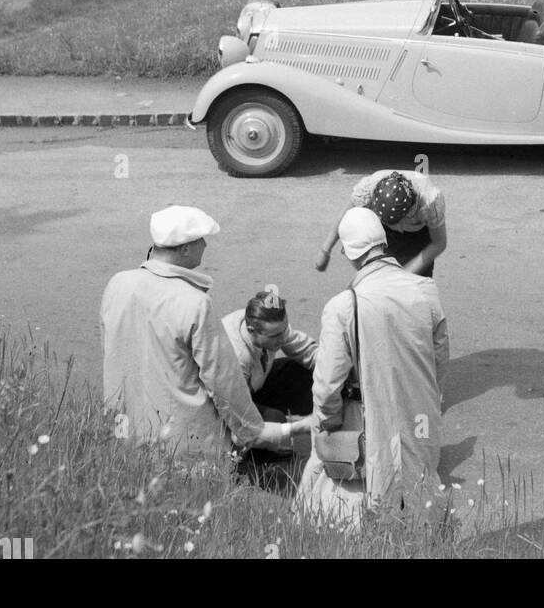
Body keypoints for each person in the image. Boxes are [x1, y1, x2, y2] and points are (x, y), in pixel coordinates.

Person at [100, 205, 289, 463]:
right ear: (185, 249)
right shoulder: (194, 302)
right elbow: (222, 379)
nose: (205, 246)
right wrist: (251, 430)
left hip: (125, 433)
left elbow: (113, 353)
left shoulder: (117, 284)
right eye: (201, 240)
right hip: (183, 444)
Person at [297, 208, 448, 526]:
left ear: (349, 252)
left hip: (363, 419)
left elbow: (326, 386)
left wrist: (328, 423)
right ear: (384, 242)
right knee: (420, 495)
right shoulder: (426, 292)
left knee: (355, 504)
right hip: (420, 413)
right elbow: (439, 364)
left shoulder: (342, 306)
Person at [315, 169, 447, 277]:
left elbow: (439, 243)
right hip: (383, 235)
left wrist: (405, 276)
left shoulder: (430, 203)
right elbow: (343, 217)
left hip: (418, 238)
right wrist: (325, 250)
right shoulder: (368, 188)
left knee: (415, 290)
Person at [221, 289, 318, 433]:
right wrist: (284, 430)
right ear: (251, 330)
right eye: (276, 336)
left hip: (254, 385)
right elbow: (233, 410)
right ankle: (267, 452)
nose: (284, 338)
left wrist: (336, 368)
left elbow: (306, 351)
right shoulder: (236, 357)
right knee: (276, 420)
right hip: (227, 403)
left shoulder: (272, 325)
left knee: (302, 372)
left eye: (284, 330)